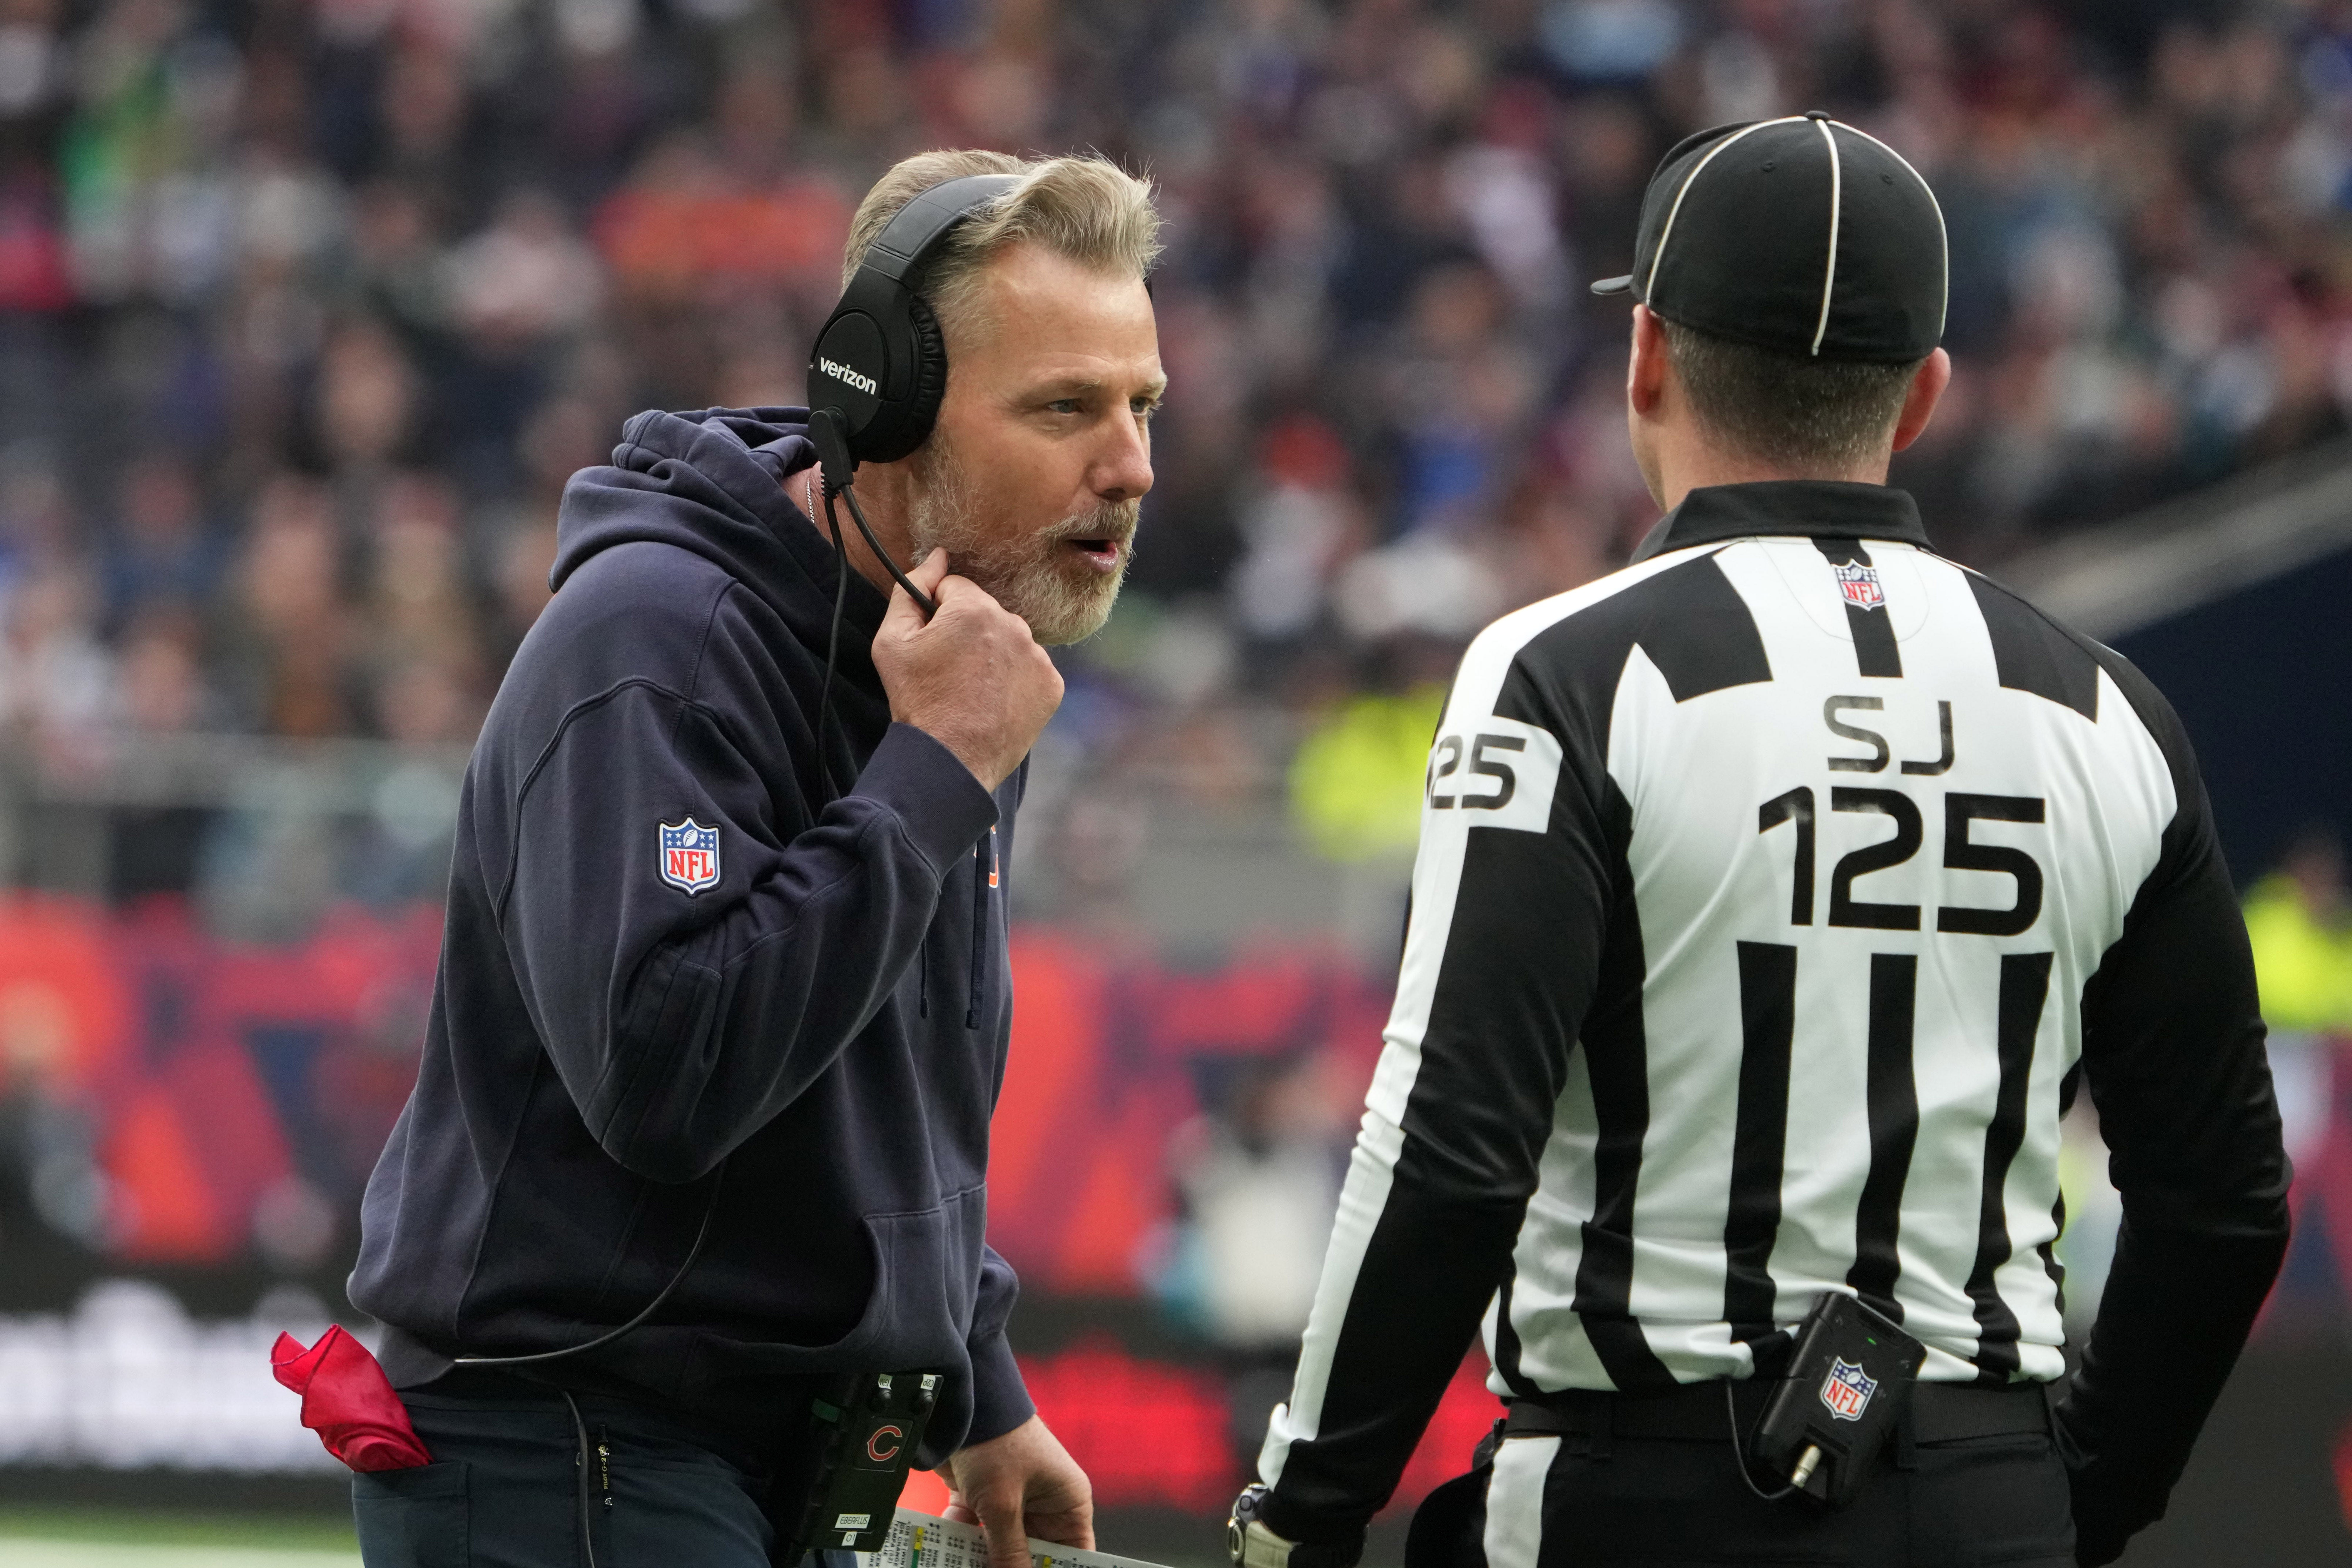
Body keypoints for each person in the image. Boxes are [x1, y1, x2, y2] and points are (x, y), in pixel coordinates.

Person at [1227, 115, 2291, 1568]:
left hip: (1644, 1491)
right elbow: (2222, 1197)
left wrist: (1306, 1511)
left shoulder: (1567, 672)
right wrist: (2073, 1494)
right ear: (1924, 397)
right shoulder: (2109, 707)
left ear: (1644, 358)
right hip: (1991, 1490)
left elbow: (1452, 1148)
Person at [346, 150, 1166, 1568]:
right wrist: (933, 773)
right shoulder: (655, 641)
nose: (1134, 463)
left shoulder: (958, 648)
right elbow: (666, 1075)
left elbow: (889, 1074)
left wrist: (976, 1380)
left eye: (1143, 402)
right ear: (885, 405)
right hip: (577, 1445)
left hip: (736, 1453)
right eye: (1066, 407)